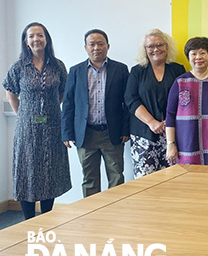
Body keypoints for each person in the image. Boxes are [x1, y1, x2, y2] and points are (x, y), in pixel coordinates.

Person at [2, 22, 71, 219]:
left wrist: (50, 107)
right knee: (27, 171)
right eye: (31, 36)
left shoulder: (58, 66)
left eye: (40, 35)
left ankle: (47, 218)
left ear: (46, 39)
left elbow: (63, 92)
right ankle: (28, 221)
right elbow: (10, 92)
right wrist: (23, 113)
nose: (36, 39)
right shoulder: (18, 67)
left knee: (50, 170)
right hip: (27, 128)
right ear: (26, 41)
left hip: (52, 126)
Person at [61, 29, 130, 197]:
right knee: (89, 179)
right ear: (85, 47)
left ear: (108, 46)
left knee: (116, 177)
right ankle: (90, 216)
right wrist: (66, 133)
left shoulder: (120, 69)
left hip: (111, 133)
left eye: (100, 43)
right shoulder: (75, 71)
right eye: (92, 44)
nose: (96, 47)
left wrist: (125, 129)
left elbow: (127, 102)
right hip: (85, 133)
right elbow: (68, 103)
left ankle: (115, 213)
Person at [125, 29, 185, 177]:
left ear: (167, 47)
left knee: (172, 179)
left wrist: (168, 122)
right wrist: (151, 122)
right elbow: (130, 99)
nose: (156, 49)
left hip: (172, 135)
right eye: (150, 46)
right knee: (145, 181)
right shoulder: (137, 71)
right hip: (143, 135)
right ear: (145, 50)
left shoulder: (178, 69)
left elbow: (183, 99)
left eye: (160, 45)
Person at [165, 37, 208, 165]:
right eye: (193, 54)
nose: (198, 57)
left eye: (202, 53)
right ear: (188, 57)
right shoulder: (180, 82)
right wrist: (170, 144)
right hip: (185, 144)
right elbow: (170, 114)